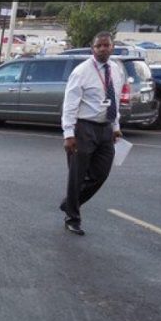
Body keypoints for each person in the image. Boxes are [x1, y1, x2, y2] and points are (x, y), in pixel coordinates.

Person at [60, 31, 124, 236]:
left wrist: (115, 127)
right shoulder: (81, 72)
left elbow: (113, 100)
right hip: (83, 128)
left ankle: (69, 202)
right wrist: (68, 134)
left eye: (107, 45)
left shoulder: (116, 69)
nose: (103, 49)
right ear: (92, 48)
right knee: (77, 177)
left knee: (100, 174)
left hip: (105, 128)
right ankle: (72, 218)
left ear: (112, 47)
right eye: (99, 46)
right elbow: (69, 105)